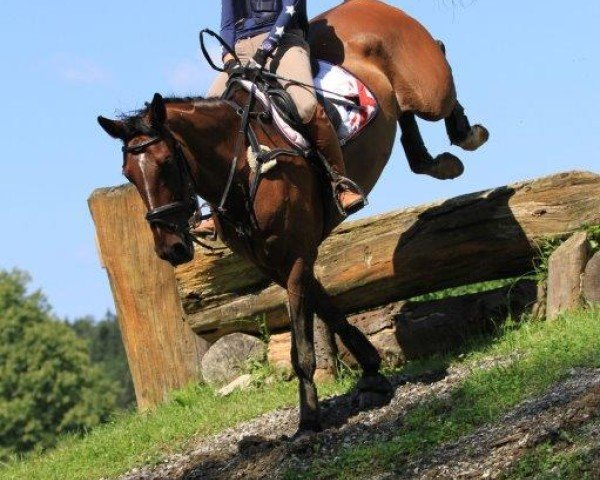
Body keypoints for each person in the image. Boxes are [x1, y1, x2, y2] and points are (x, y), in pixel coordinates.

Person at [196, 0, 365, 236]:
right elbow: (227, 24)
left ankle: (340, 182)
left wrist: (266, 48)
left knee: (305, 106)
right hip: (241, 48)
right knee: (206, 121)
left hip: (284, 42)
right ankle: (212, 207)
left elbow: (288, 10)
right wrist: (229, 59)